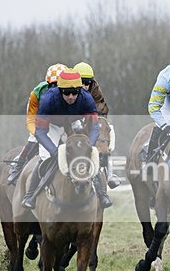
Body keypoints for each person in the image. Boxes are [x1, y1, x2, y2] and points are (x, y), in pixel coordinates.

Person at [21, 70, 112, 210]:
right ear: (60, 90)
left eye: (74, 92)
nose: (71, 97)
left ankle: (102, 194)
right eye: (67, 93)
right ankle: (30, 195)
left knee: (88, 156)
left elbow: (94, 128)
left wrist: (89, 145)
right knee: (45, 157)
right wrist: (54, 151)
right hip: (51, 126)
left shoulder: (86, 98)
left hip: (72, 123)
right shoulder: (48, 99)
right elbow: (40, 132)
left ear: (80, 91)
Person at [7, 63, 67, 185]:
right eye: (53, 85)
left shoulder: (73, 92)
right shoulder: (37, 93)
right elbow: (30, 120)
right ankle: (19, 162)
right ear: (47, 84)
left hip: (66, 124)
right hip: (43, 123)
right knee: (34, 138)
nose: (56, 89)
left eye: (59, 86)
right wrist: (38, 134)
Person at [74, 61, 120, 190]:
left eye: (87, 82)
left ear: (92, 82)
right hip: (72, 120)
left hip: (91, 119)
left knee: (109, 128)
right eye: (81, 82)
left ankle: (109, 173)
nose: (84, 86)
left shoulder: (95, 89)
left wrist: (94, 117)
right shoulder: (69, 89)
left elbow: (101, 106)